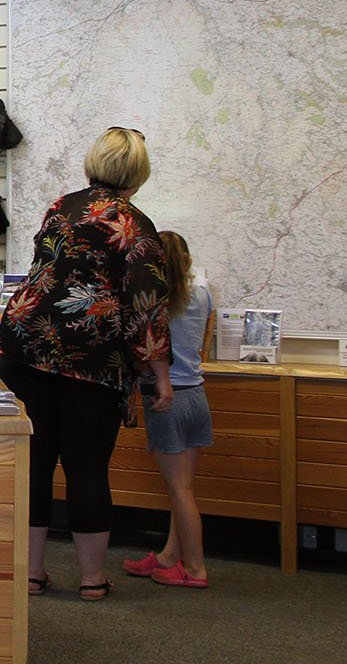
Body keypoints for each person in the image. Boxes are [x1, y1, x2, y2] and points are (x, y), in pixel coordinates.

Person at [0, 126, 172, 601]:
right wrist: (159, 377)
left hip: (26, 349)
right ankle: (92, 580)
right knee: (87, 468)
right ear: (139, 172)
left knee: (32, 465)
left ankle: (31, 575)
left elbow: (43, 272)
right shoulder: (136, 226)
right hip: (92, 361)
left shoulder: (60, 208)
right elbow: (147, 306)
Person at [123, 231, 214, 589]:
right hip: (197, 395)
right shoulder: (202, 294)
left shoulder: (155, 300)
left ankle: (195, 569)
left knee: (178, 490)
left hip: (168, 399)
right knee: (185, 488)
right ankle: (169, 556)